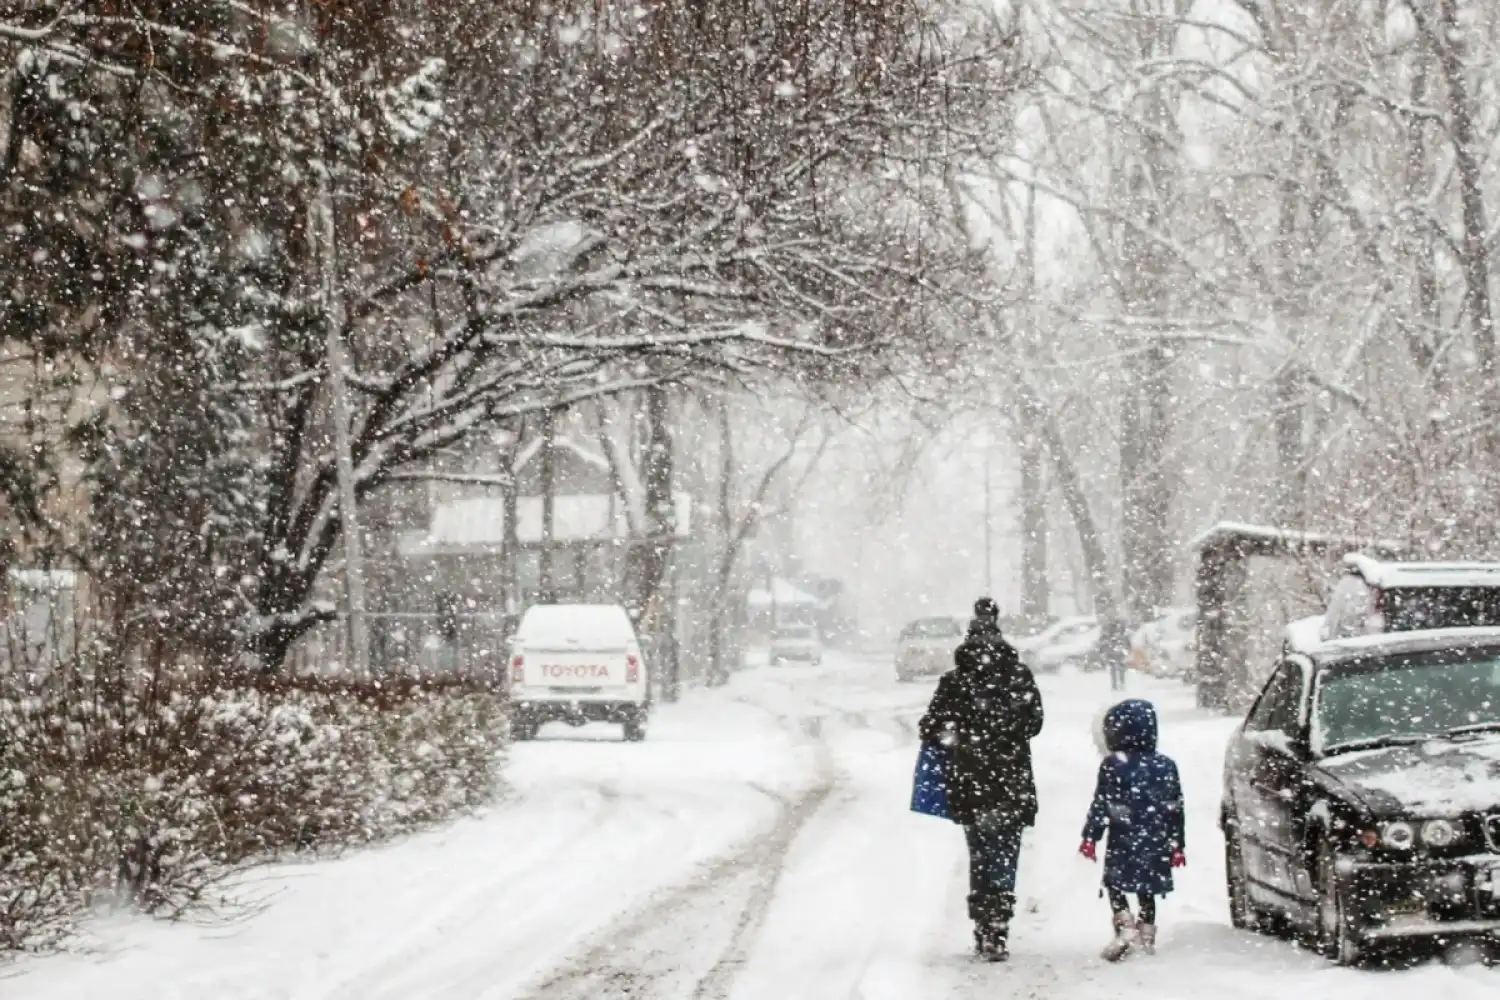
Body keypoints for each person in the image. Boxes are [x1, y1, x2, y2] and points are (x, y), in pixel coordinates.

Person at [919, 597, 1045, 962]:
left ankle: (983, 925)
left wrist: (959, 734)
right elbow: (1034, 723)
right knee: (1005, 853)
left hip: (969, 781)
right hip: (1011, 781)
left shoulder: (955, 681)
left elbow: (930, 725)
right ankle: (999, 926)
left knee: (980, 854)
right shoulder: (1019, 676)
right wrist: (1006, 733)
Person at [1078, 699, 1185, 961]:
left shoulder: (1113, 765)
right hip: (1156, 837)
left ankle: (1124, 923)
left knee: (1115, 882)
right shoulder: (1166, 766)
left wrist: (1090, 837)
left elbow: (1101, 804)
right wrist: (1177, 843)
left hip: (1123, 835)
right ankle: (1146, 934)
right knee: (1147, 888)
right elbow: (1175, 808)